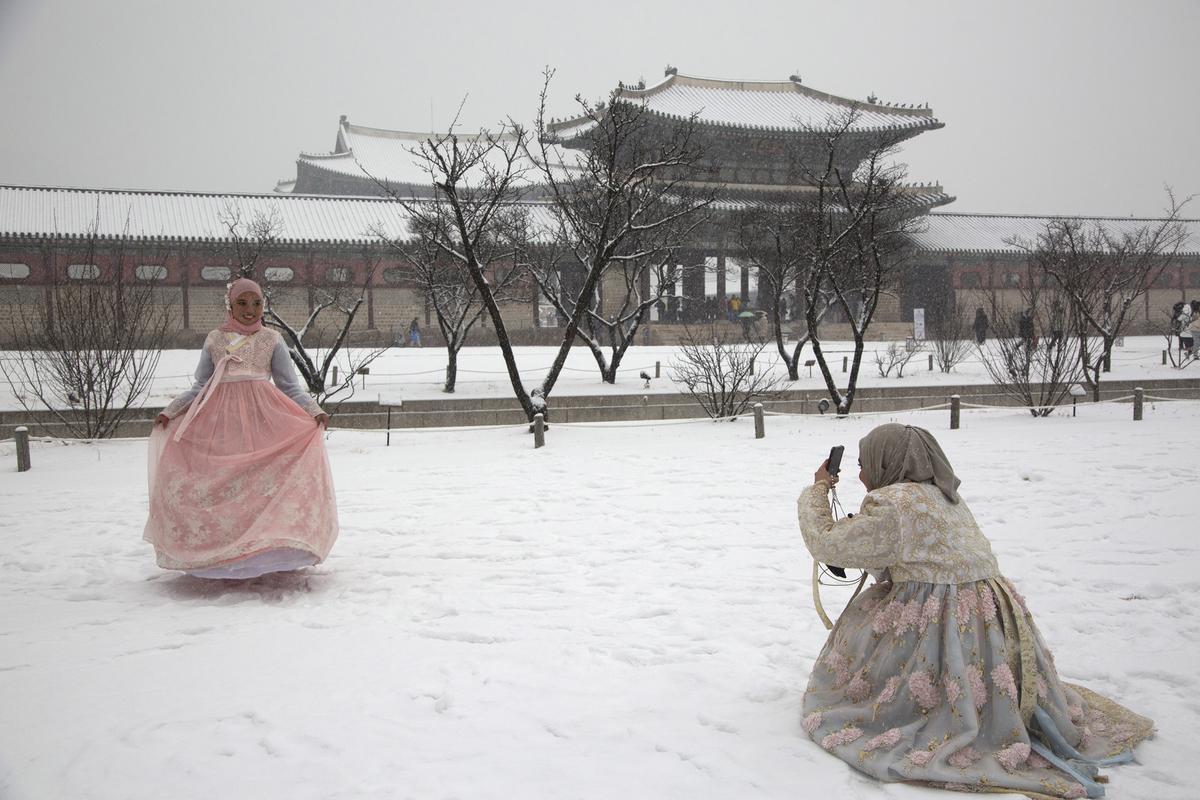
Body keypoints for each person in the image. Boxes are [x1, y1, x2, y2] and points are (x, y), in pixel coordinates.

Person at [797, 424, 1151, 799]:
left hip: (939, 616)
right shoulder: (944, 496)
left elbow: (828, 544)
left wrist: (818, 489)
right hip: (990, 616)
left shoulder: (891, 504)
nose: (861, 474)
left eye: (863, 464)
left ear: (888, 461)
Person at [144, 278, 338, 579]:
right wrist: (171, 411)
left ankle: (266, 552)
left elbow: (289, 387)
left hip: (263, 423)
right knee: (219, 485)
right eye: (243, 303)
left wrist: (314, 410)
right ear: (230, 305)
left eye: (256, 303)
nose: (250, 310)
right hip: (219, 426)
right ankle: (219, 556)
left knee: (259, 487)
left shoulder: (271, 339)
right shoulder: (215, 339)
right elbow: (200, 386)